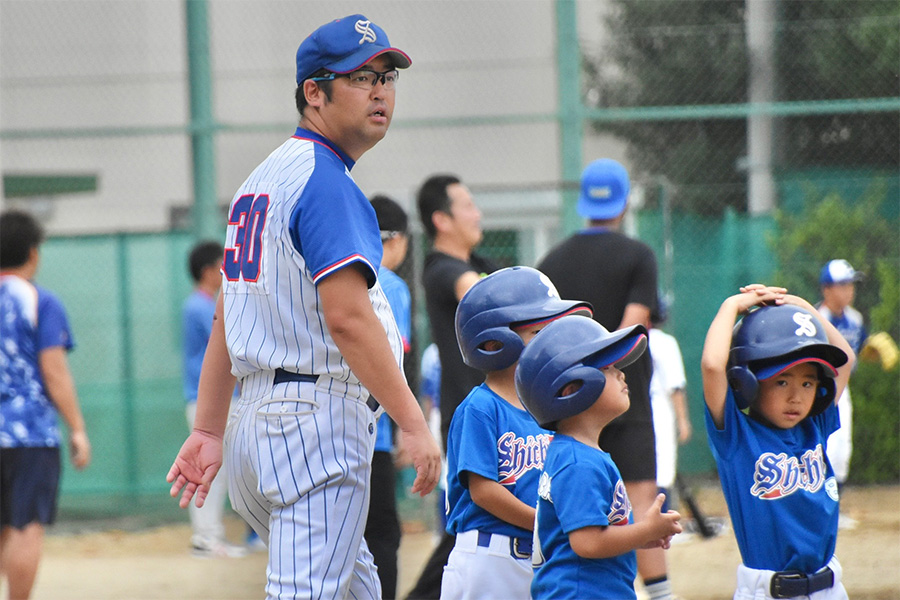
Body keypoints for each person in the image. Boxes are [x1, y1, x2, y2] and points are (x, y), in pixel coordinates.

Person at [165, 15, 441, 600]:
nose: (380, 91)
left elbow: (226, 315)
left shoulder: (261, 181)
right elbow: (347, 318)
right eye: (361, 77)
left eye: (387, 77)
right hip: (313, 427)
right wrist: (413, 422)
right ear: (313, 92)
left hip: (259, 427)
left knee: (357, 587)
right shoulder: (326, 182)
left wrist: (211, 429)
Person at [537, 158, 671, 598]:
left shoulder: (552, 260)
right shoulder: (638, 255)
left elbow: (546, 335)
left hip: (570, 395)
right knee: (638, 499)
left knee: (573, 495)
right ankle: (660, 593)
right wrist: (610, 375)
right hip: (620, 393)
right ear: (624, 200)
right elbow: (633, 330)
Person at [442, 266, 592, 599]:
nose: (553, 342)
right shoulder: (480, 408)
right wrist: (547, 522)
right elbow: (483, 491)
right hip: (489, 557)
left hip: (537, 553)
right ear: (494, 341)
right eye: (540, 332)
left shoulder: (548, 411)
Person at [700, 285, 855, 600]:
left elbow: (845, 360)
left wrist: (798, 305)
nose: (796, 396)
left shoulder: (816, 425)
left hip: (831, 588)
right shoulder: (737, 438)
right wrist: (731, 306)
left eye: (808, 382)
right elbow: (714, 366)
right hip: (769, 591)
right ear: (748, 383)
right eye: (781, 380)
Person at [515, 315, 682, 600]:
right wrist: (642, 531)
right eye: (608, 367)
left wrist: (640, 534)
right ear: (571, 388)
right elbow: (588, 542)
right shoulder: (578, 462)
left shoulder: (577, 452)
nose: (621, 374)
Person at [406, 174, 498, 599]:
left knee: (478, 522)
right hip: (470, 413)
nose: (477, 213)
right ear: (441, 219)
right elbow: (482, 298)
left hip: (501, 409)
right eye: (467, 205)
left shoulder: (479, 264)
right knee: (470, 522)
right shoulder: (444, 271)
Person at [0, 209, 92, 600]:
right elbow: (54, 373)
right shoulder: (41, 301)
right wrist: (77, 428)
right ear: (34, 253)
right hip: (29, 435)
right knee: (26, 525)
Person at [180, 240, 249, 558]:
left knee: (220, 471)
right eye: (221, 265)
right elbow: (227, 343)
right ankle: (206, 537)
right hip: (207, 401)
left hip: (213, 400)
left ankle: (211, 536)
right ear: (209, 271)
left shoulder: (204, 303)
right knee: (210, 471)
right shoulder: (201, 306)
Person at [364, 194, 412, 599]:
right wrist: (406, 428)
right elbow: (394, 366)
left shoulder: (334, 274)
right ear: (396, 239)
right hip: (373, 434)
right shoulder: (391, 286)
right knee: (382, 536)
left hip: (325, 431)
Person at [816, 260, 866, 530]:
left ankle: (833, 510)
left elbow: (857, 353)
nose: (849, 291)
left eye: (851, 285)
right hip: (818, 391)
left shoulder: (856, 319)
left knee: (842, 452)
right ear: (826, 289)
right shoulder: (813, 318)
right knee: (823, 449)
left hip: (842, 391)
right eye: (842, 285)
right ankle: (818, 508)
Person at [648, 297, 691, 512]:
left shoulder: (626, 338)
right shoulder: (665, 342)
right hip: (659, 409)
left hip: (630, 410)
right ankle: (661, 522)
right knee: (663, 468)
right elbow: (675, 386)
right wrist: (683, 421)